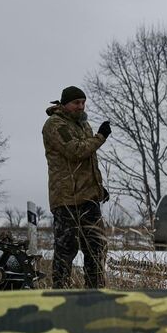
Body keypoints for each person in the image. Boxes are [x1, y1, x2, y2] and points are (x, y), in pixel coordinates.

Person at [42, 85, 111, 289]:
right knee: (66, 249)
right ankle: (61, 294)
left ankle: (95, 293)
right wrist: (101, 137)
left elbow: (88, 161)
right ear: (65, 104)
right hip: (66, 199)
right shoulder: (55, 124)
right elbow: (76, 151)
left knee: (96, 247)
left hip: (88, 197)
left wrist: (98, 188)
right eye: (76, 103)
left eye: (83, 102)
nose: (81, 107)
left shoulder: (83, 125)